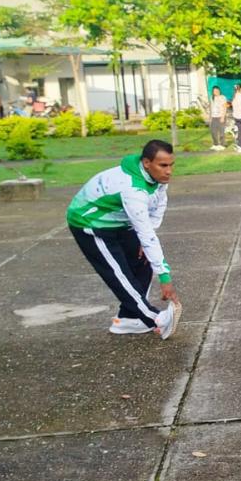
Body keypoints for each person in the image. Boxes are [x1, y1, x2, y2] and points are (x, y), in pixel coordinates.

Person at [66, 140, 181, 338]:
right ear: (146, 163)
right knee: (120, 274)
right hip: (91, 222)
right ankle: (156, 320)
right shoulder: (132, 189)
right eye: (163, 165)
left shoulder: (157, 179)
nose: (169, 171)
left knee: (142, 261)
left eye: (171, 165)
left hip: (120, 220)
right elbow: (146, 234)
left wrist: (147, 241)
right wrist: (165, 277)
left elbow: (158, 205)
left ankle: (127, 319)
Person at [209, 86, 229, 151]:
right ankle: (215, 144)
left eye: (217, 91)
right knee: (213, 131)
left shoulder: (223, 97)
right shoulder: (212, 98)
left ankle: (222, 145)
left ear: (219, 91)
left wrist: (223, 117)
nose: (216, 92)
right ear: (213, 92)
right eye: (214, 91)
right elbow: (211, 108)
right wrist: (211, 117)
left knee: (221, 132)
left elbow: (225, 107)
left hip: (221, 116)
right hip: (214, 117)